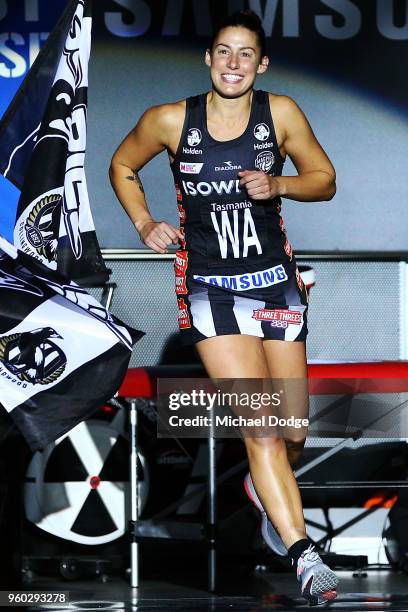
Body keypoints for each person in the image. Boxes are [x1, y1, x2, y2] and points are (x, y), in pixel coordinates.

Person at [110, 9, 338, 605]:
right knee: (260, 427)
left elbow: (325, 178)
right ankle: (305, 554)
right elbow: (122, 165)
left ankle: (267, 495)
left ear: (260, 64)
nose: (233, 63)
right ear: (208, 58)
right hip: (210, 289)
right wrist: (144, 222)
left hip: (276, 285)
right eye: (223, 51)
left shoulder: (280, 113)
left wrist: (279, 184)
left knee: (292, 433)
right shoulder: (168, 119)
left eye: (245, 54)